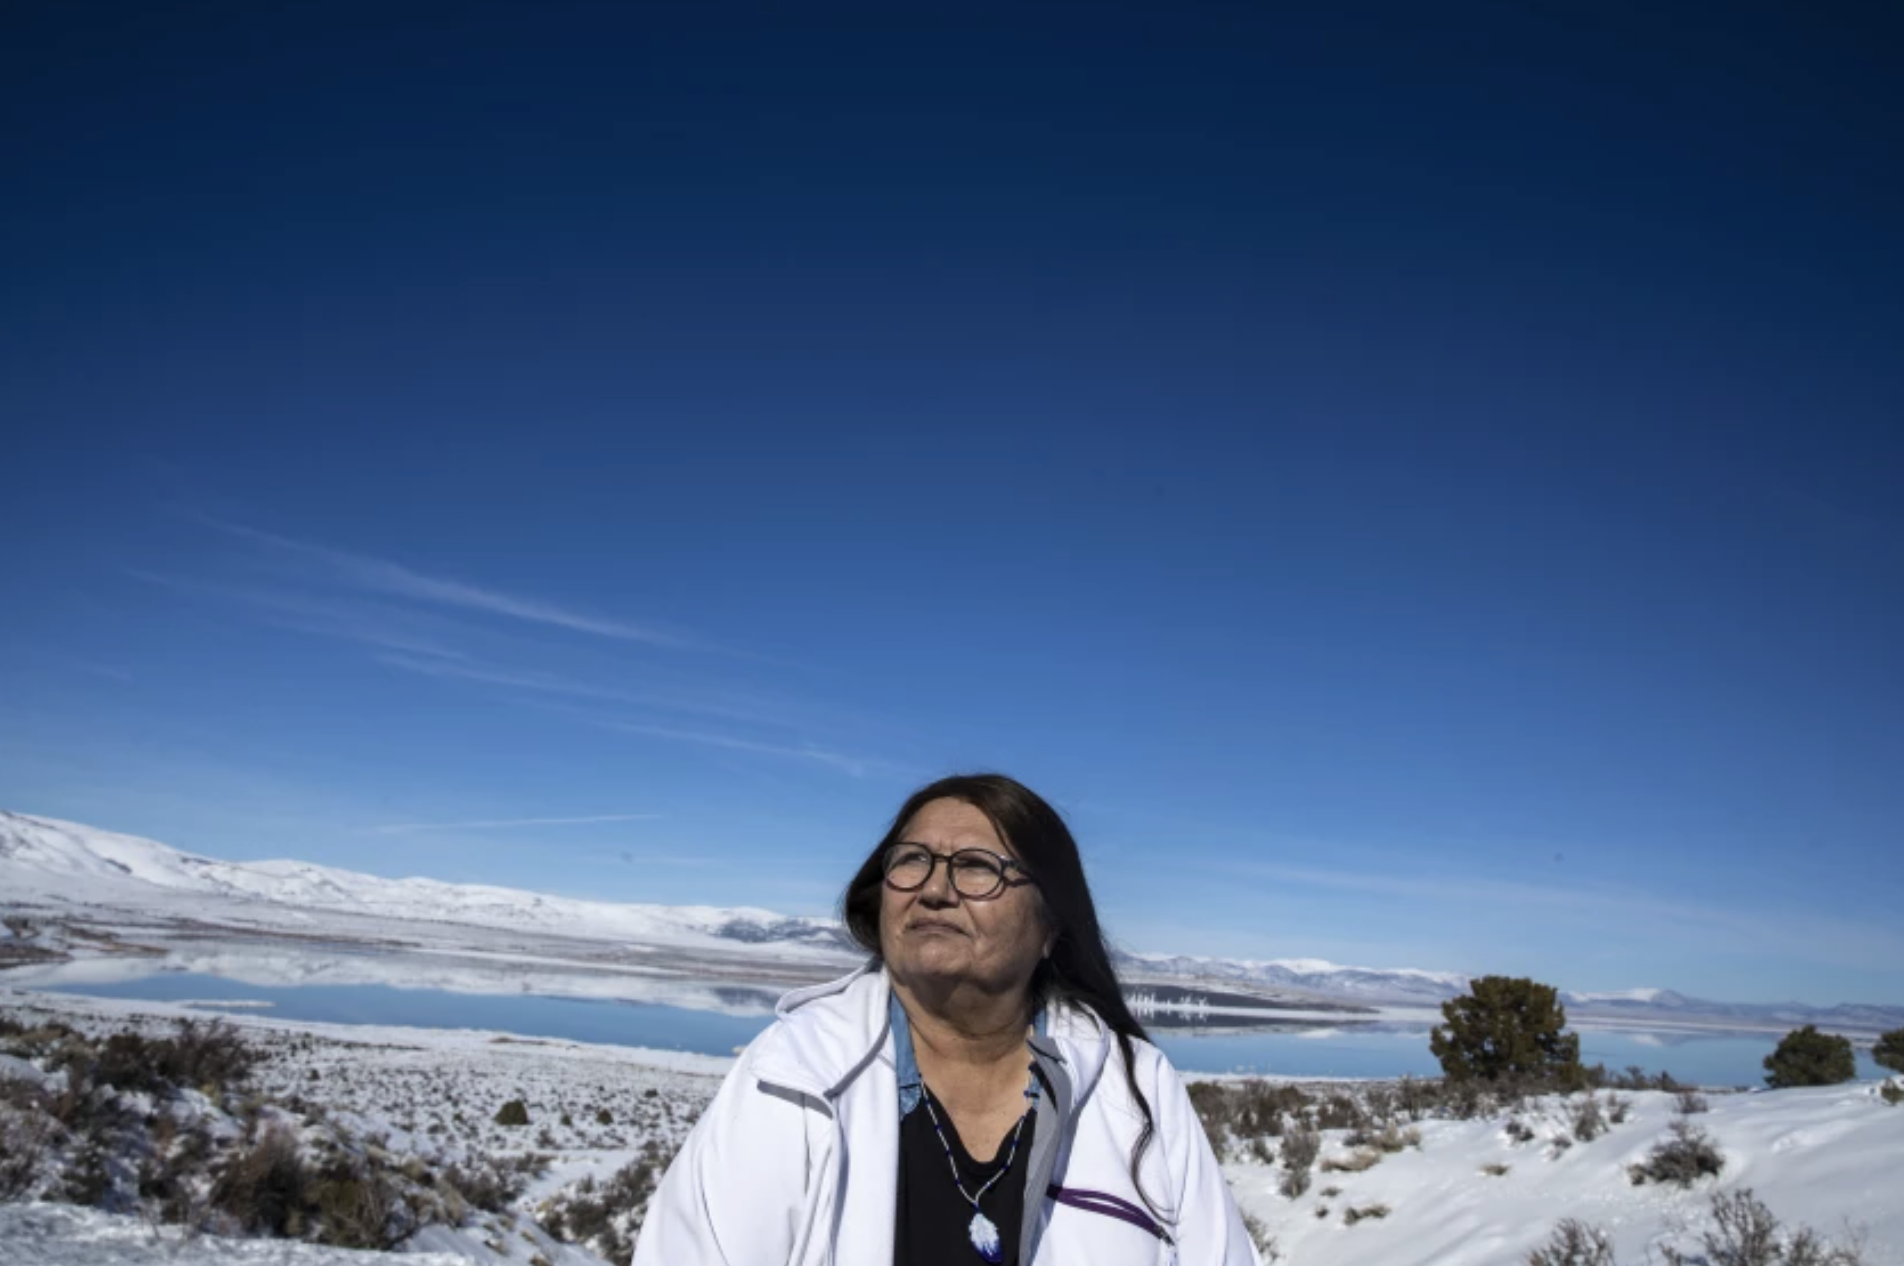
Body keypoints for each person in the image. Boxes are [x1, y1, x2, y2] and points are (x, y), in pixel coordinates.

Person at [633, 773, 1260, 1265]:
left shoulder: (1135, 1087)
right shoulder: (791, 1077)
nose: (935, 888)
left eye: (977, 867)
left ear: (1051, 927)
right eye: (912, 860)